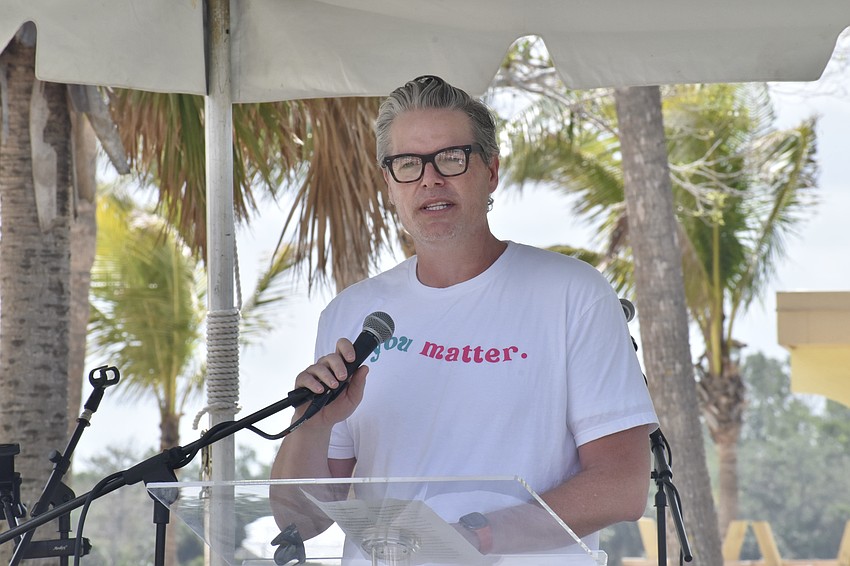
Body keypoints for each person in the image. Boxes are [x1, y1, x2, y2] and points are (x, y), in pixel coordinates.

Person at [271, 74, 658, 560]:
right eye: (408, 164)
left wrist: (470, 538)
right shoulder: (352, 313)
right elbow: (298, 522)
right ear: (389, 182)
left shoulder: (571, 292)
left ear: (491, 171)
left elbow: (622, 486)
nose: (430, 179)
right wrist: (312, 426)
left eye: (452, 158)